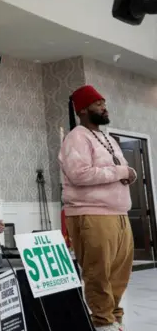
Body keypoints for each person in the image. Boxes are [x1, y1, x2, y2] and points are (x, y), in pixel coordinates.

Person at [59, 85, 135, 331]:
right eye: (98, 103)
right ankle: (103, 323)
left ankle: (115, 318)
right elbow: (79, 174)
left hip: (119, 215)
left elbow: (116, 170)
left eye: (104, 102)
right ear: (82, 109)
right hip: (92, 213)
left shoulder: (107, 138)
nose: (104, 107)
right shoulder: (76, 137)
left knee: (119, 274)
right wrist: (121, 171)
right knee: (98, 273)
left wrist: (129, 174)